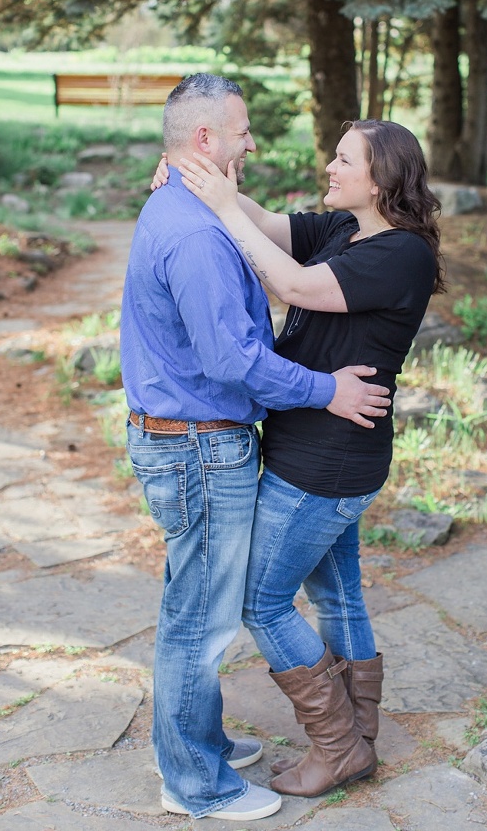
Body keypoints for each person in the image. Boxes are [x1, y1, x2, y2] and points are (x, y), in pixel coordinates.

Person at [120, 74, 391, 822]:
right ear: (205, 140)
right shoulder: (198, 233)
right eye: (241, 131)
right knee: (201, 621)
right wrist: (325, 389)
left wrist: (199, 187)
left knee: (196, 607)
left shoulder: (181, 205)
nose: (252, 142)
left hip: (196, 441)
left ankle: (194, 743)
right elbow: (234, 362)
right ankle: (195, 784)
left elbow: (274, 254)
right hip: (200, 447)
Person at [174, 117, 444, 798]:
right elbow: (263, 223)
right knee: (336, 592)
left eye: (343, 159)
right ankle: (359, 736)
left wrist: (217, 208)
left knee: (262, 603)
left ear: (380, 178)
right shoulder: (343, 229)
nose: (330, 165)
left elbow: (291, 286)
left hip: (325, 464)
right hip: (321, 450)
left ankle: (337, 747)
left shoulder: (401, 253)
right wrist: (203, 177)